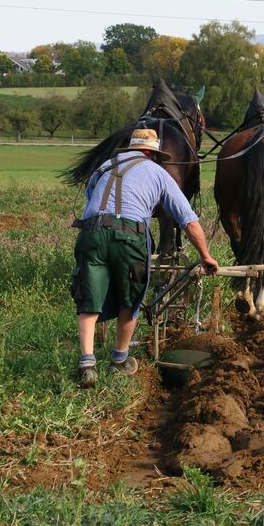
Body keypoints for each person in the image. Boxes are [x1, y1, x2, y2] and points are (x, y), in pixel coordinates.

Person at [71, 127, 219, 387]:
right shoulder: (158, 173)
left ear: (131, 149)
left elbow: (90, 203)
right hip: (130, 237)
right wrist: (205, 255)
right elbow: (188, 220)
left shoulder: (103, 168)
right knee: (130, 299)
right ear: (152, 153)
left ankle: (87, 365)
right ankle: (119, 360)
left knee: (89, 300)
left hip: (91, 234)